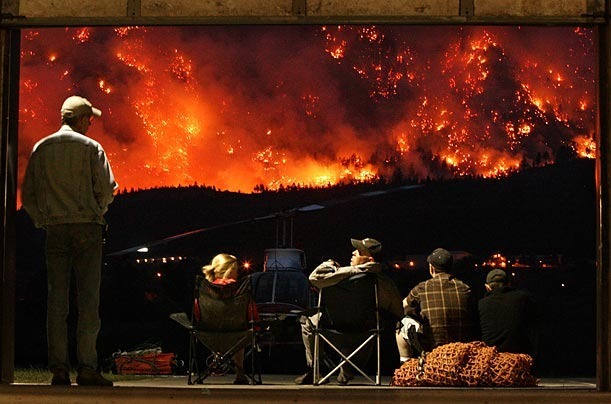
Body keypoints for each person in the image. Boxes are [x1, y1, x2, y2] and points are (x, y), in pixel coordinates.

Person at [22, 95, 118, 386]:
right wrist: (96, 211)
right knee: (88, 301)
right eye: (89, 118)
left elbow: (28, 197)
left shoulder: (41, 148)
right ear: (78, 119)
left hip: (55, 230)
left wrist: (44, 220)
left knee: (57, 303)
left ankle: (59, 370)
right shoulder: (92, 148)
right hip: (87, 228)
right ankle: (87, 369)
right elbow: (108, 189)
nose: (91, 123)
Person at [295, 237, 403, 385]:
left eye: (358, 252)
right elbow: (398, 311)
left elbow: (314, 277)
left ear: (369, 259)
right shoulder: (383, 282)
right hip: (365, 330)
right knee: (375, 322)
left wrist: (333, 265)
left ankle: (316, 369)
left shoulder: (337, 276)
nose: (353, 252)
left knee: (306, 320)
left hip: (330, 327)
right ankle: (347, 372)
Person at [396, 247, 477, 362]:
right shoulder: (465, 288)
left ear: (431, 268)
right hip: (461, 349)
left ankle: (405, 366)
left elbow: (401, 307)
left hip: (433, 348)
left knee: (402, 323)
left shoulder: (422, 288)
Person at [199, 253, 258, 384]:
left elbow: (197, 313)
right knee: (239, 331)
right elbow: (251, 312)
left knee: (231, 330)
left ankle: (217, 361)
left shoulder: (205, 289)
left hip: (209, 335)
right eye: (236, 270)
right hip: (238, 336)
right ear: (230, 270)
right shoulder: (239, 289)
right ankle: (239, 371)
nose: (237, 274)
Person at [478, 268, 539, 358]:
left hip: (491, 356)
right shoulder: (523, 298)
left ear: (487, 287)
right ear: (509, 284)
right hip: (519, 355)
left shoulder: (481, 304)